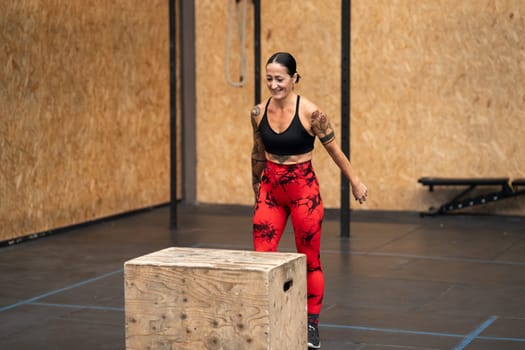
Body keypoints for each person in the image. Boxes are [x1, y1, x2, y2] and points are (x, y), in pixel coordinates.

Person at [250, 52, 368, 349]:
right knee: (261, 257)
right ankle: (267, 317)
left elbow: (335, 151)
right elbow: (257, 151)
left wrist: (355, 181)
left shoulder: (312, 114)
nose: (274, 85)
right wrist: (256, 188)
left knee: (310, 259)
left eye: (280, 79)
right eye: (269, 78)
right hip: (271, 191)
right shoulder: (257, 112)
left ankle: (311, 323)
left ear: (294, 79)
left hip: (304, 192)